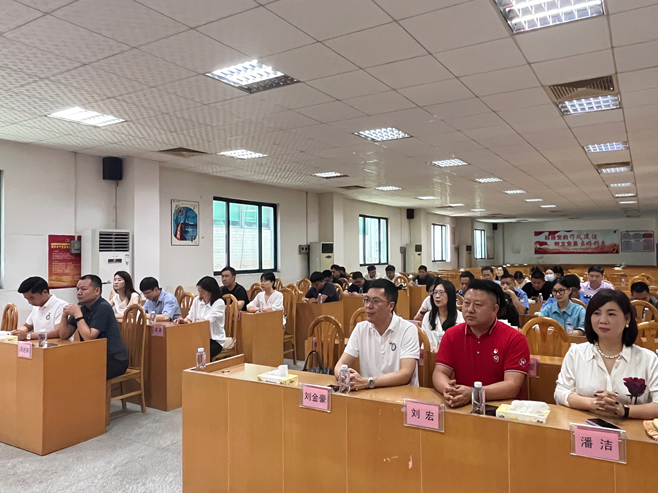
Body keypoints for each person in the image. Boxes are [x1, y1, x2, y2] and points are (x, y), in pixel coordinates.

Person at [554, 290, 658, 419]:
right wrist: (594, 403)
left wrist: (624, 410)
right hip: (585, 425)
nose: (603, 320)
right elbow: (560, 393)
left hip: (632, 427)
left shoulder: (648, 359)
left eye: (611, 314)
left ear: (627, 318)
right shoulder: (576, 353)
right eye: (596, 313)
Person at [433, 280, 530, 407]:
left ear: (494, 309)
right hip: (462, 405)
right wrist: (448, 390)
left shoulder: (514, 339)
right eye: (466, 303)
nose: (470, 310)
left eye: (478, 305)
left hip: (501, 408)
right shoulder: (452, 334)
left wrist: (474, 393)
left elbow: (512, 386)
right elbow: (439, 373)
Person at [334, 279, 419, 388]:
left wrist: (367, 382)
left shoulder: (408, 329)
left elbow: (405, 374)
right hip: (369, 393)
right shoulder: (361, 328)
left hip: (401, 394)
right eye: (366, 300)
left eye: (375, 301)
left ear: (390, 306)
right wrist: (345, 377)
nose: (368, 306)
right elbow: (340, 365)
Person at [56, 275, 129, 380]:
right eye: (77, 289)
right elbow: (64, 335)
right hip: (93, 356)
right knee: (61, 367)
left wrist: (77, 315)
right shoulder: (81, 306)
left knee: (78, 375)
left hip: (113, 359)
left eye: (83, 289)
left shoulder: (103, 307)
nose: (79, 292)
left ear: (97, 291)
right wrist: (64, 315)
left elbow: (89, 338)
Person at [175, 276, 225, 359]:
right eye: (199, 292)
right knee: (181, 346)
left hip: (214, 340)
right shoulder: (197, 300)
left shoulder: (219, 303)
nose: (200, 295)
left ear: (211, 292)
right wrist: (184, 321)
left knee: (195, 351)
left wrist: (191, 323)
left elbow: (204, 321)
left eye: (203, 293)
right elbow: (190, 317)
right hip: (197, 337)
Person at [13, 276, 67, 341]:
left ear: (45, 292)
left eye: (31, 298)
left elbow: (57, 332)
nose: (29, 302)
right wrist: (18, 332)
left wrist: (28, 336)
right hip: (38, 343)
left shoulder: (61, 306)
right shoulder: (36, 307)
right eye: (27, 299)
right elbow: (27, 326)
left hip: (55, 344)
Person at [421, 279, 464, 349]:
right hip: (432, 355)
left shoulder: (461, 318)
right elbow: (424, 343)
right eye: (435, 292)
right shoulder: (428, 316)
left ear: (450, 295)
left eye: (441, 292)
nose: (437, 296)